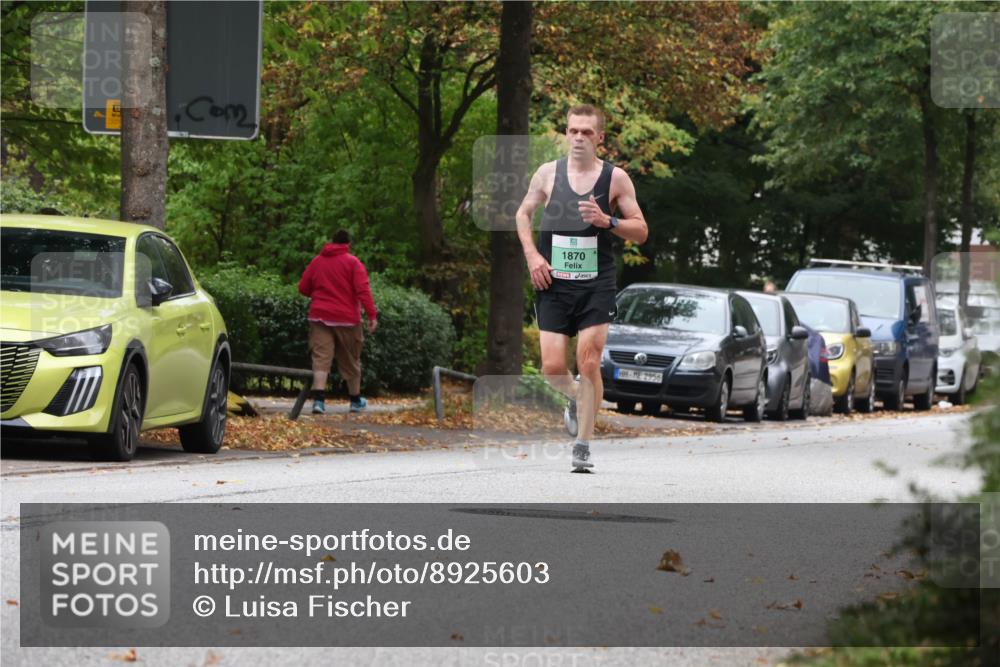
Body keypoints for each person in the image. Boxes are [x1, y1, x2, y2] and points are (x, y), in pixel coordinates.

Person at [515, 104, 648, 472]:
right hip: (553, 282)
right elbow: (523, 214)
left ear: (599, 138)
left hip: (596, 285)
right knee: (553, 368)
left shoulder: (615, 179)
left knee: (588, 361)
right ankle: (577, 399)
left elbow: (640, 230)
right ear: (565, 133)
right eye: (573, 130)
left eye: (586, 132)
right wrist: (532, 257)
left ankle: (583, 445)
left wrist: (609, 221)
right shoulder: (547, 174)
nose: (578, 137)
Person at [298, 229, 378, 414]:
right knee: (351, 359)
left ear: (331, 242)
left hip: (319, 317)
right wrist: (372, 315)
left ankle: (319, 401)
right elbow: (363, 290)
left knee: (321, 358)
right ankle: (355, 401)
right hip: (347, 319)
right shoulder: (353, 263)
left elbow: (303, 287)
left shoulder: (317, 261)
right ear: (347, 244)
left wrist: (320, 295)